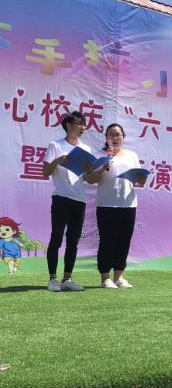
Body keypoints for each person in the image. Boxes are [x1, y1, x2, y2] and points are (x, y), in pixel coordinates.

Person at [85, 123, 146, 289]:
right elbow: (90, 179)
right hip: (106, 204)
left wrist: (142, 180)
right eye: (111, 135)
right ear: (106, 138)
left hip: (128, 204)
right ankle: (105, 278)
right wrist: (103, 168)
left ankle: (119, 277)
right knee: (106, 241)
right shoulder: (99, 155)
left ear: (123, 137)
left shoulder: (132, 156)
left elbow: (138, 180)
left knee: (124, 241)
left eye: (118, 134)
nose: (114, 138)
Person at [42, 111, 90, 292]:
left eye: (84, 124)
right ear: (69, 126)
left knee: (73, 240)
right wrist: (58, 160)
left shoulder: (85, 149)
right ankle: (52, 279)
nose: (83, 127)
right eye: (79, 123)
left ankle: (67, 278)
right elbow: (45, 172)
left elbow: (87, 178)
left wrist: (90, 170)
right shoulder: (55, 145)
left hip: (79, 199)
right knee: (56, 237)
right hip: (61, 197)